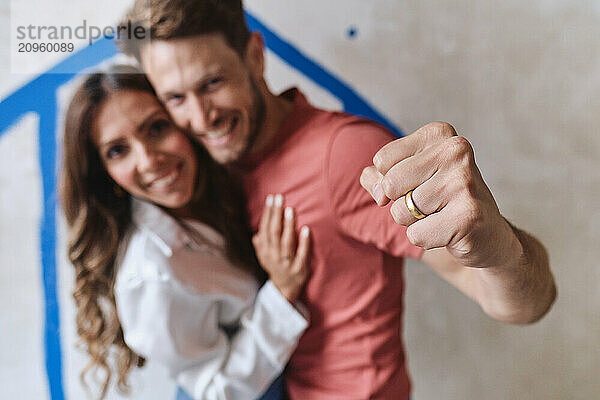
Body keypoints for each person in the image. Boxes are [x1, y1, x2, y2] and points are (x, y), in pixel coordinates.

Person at [118, 1, 557, 398]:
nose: (199, 118)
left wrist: (498, 245)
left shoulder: (343, 157)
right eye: (175, 98)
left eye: (212, 82)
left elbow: (524, 305)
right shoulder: (204, 169)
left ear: (254, 56)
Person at [59, 66, 312, 400]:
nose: (149, 160)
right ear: (104, 174)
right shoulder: (152, 273)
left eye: (157, 128)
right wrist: (281, 293)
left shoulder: (219, 185)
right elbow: (216, 392)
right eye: (118, 150)